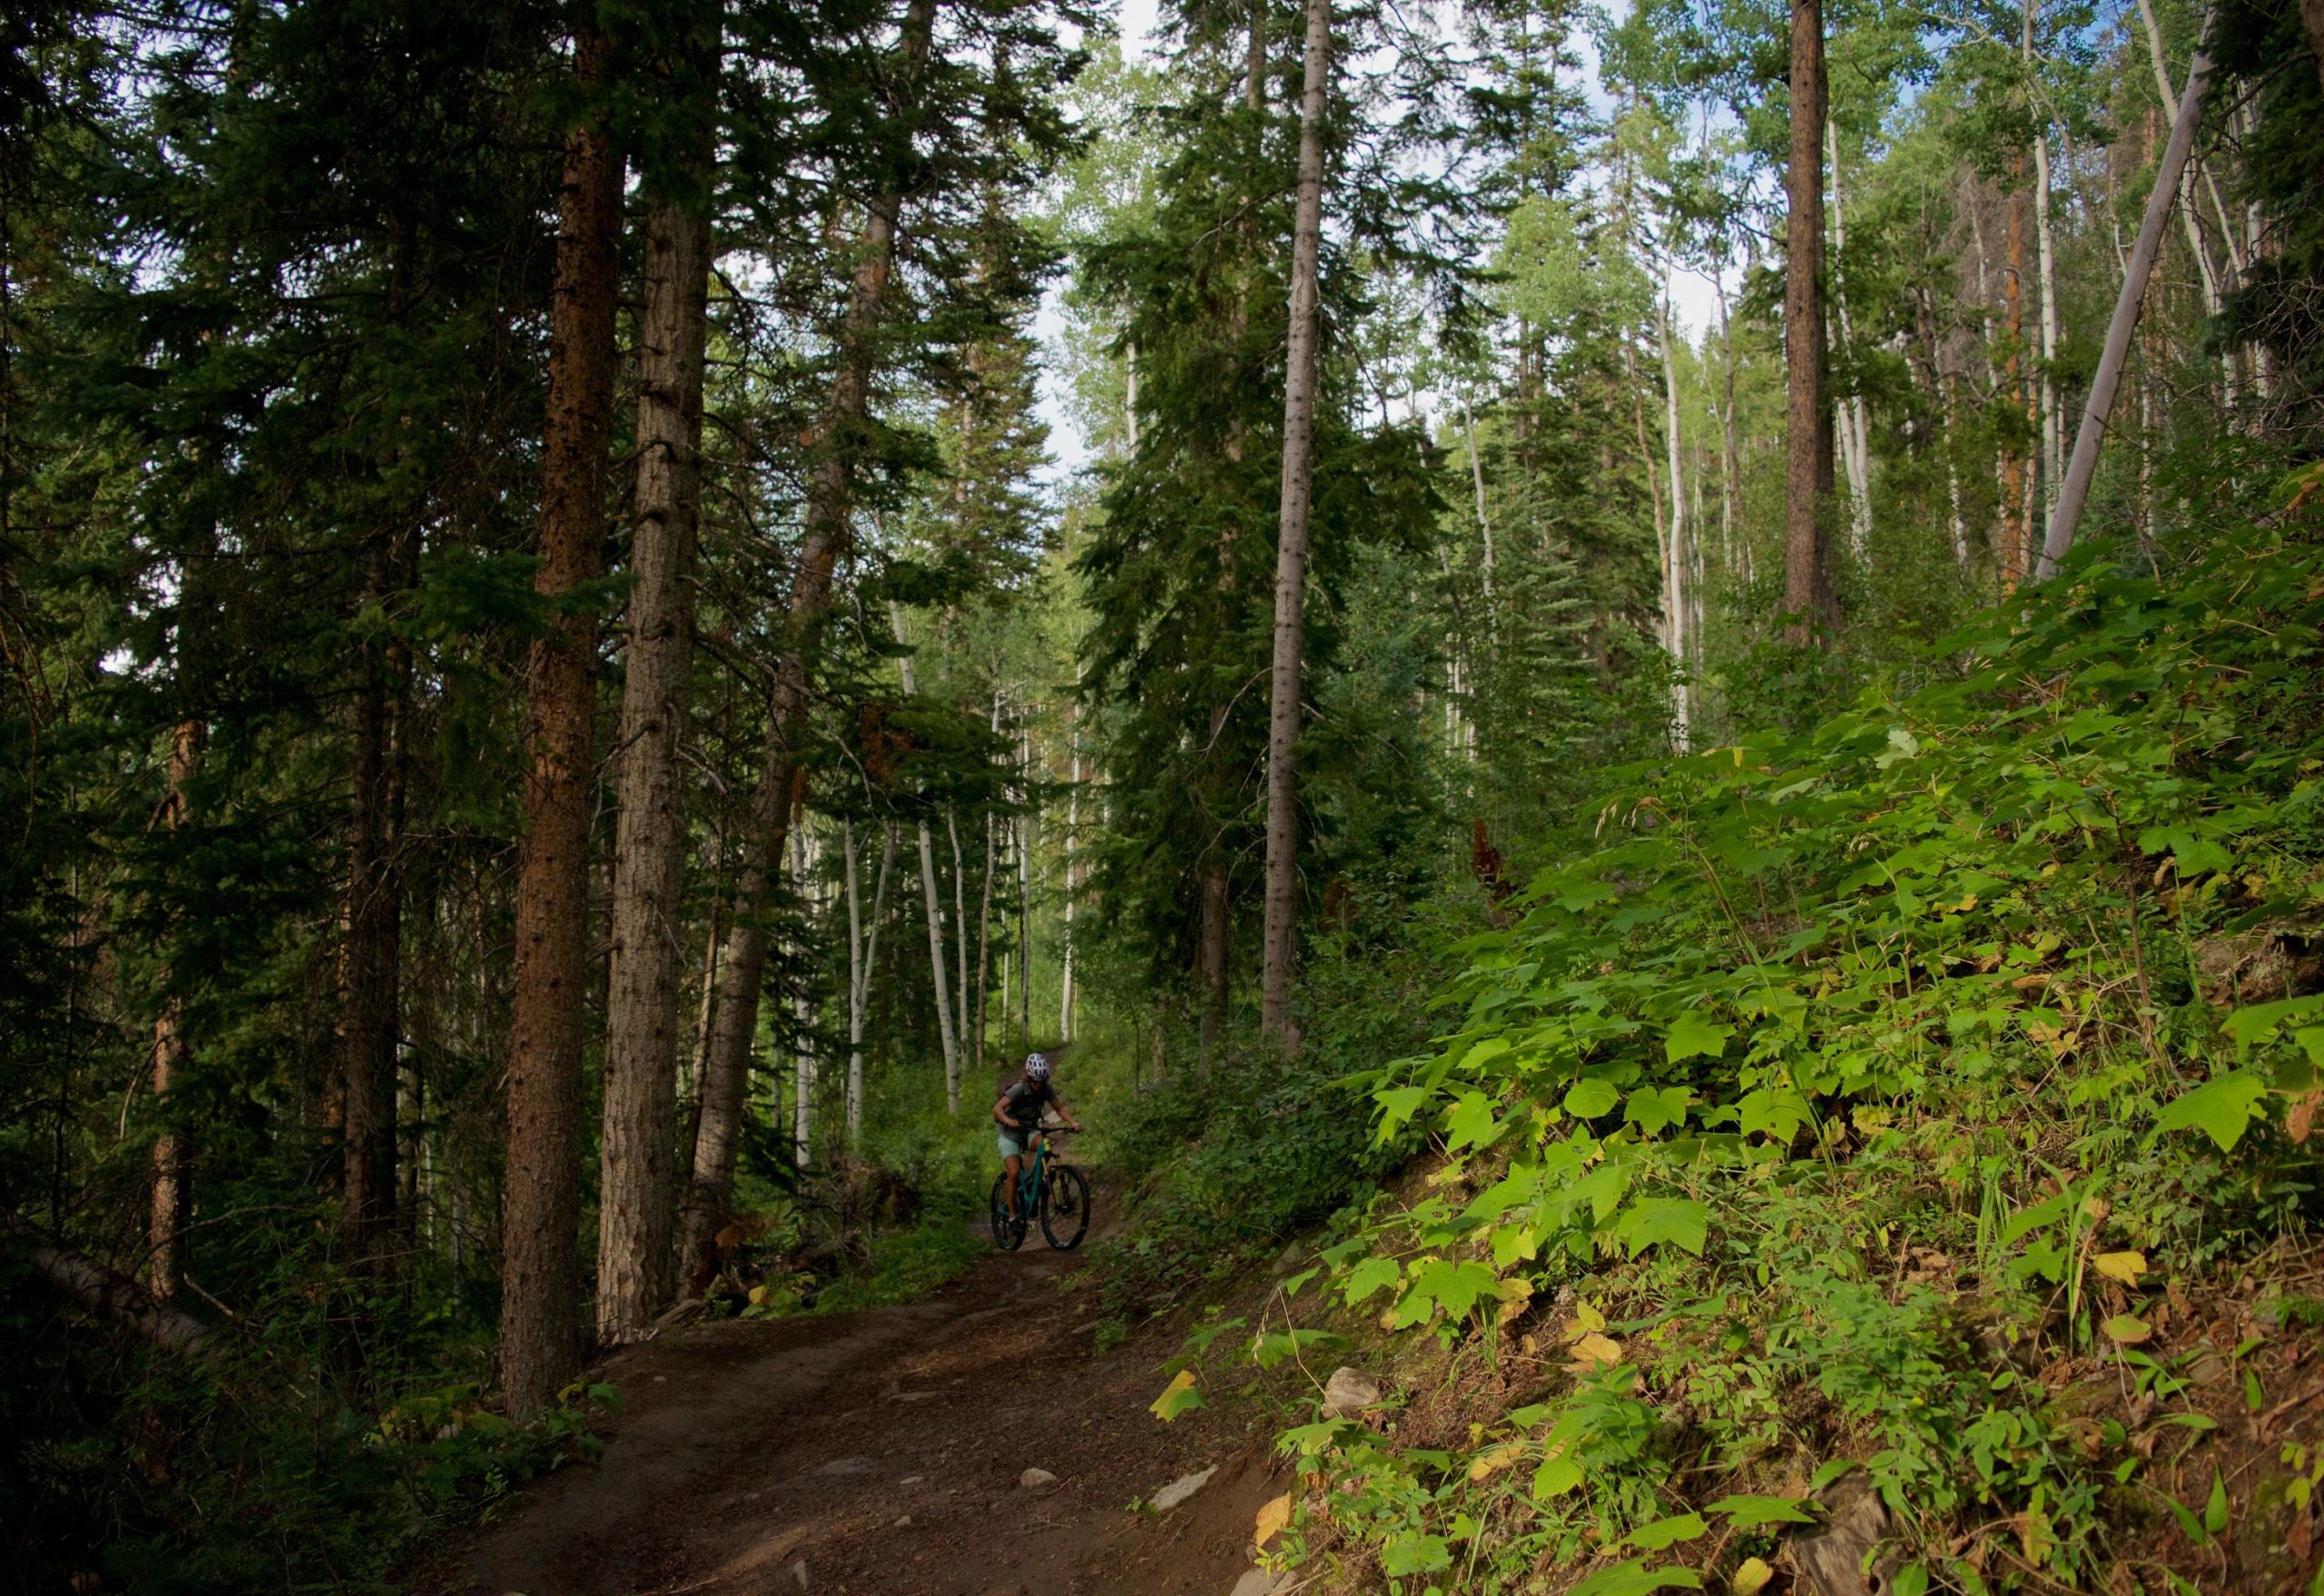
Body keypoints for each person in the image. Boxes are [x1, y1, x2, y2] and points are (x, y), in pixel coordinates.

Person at [992, 1051, 1081, 1221]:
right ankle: (1012, 1215)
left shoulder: (1045, 1089)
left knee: (1045, 1145)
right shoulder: (1019, 1089)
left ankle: (1036, 1180)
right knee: (1014, 1173)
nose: (1038, 1085)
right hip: (1009, 1134)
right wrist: (1007, 1120)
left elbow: (1059, 1109)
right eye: (1034, 1081)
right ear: (1028, 1077)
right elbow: (996, 1109)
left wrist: (1073, 1122)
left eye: (1041, 1082)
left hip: (1028, 1130)